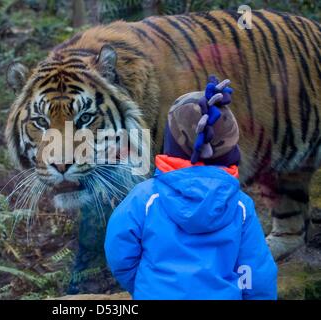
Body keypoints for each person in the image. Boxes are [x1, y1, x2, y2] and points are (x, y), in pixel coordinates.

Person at [104, 76, 278, 300]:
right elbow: (256, 272)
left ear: (171, 143)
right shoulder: (240, 206)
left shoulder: (145, 198)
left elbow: (118, 253)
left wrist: (143, 285)